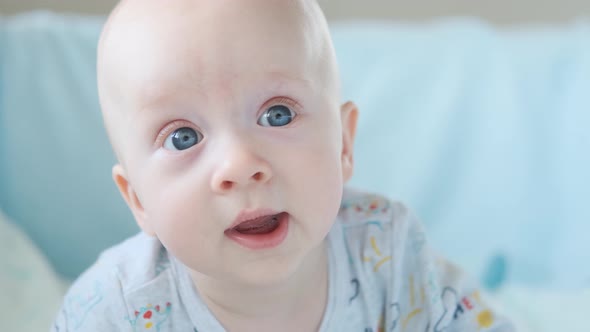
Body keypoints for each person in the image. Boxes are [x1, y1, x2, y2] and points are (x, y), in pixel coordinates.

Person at [53, 0, 515, 331]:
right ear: (138, 200)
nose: (240, 165)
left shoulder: (388, 253)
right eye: (183, 138)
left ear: (343, 145)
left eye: (278, 114)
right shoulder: (115, 311)